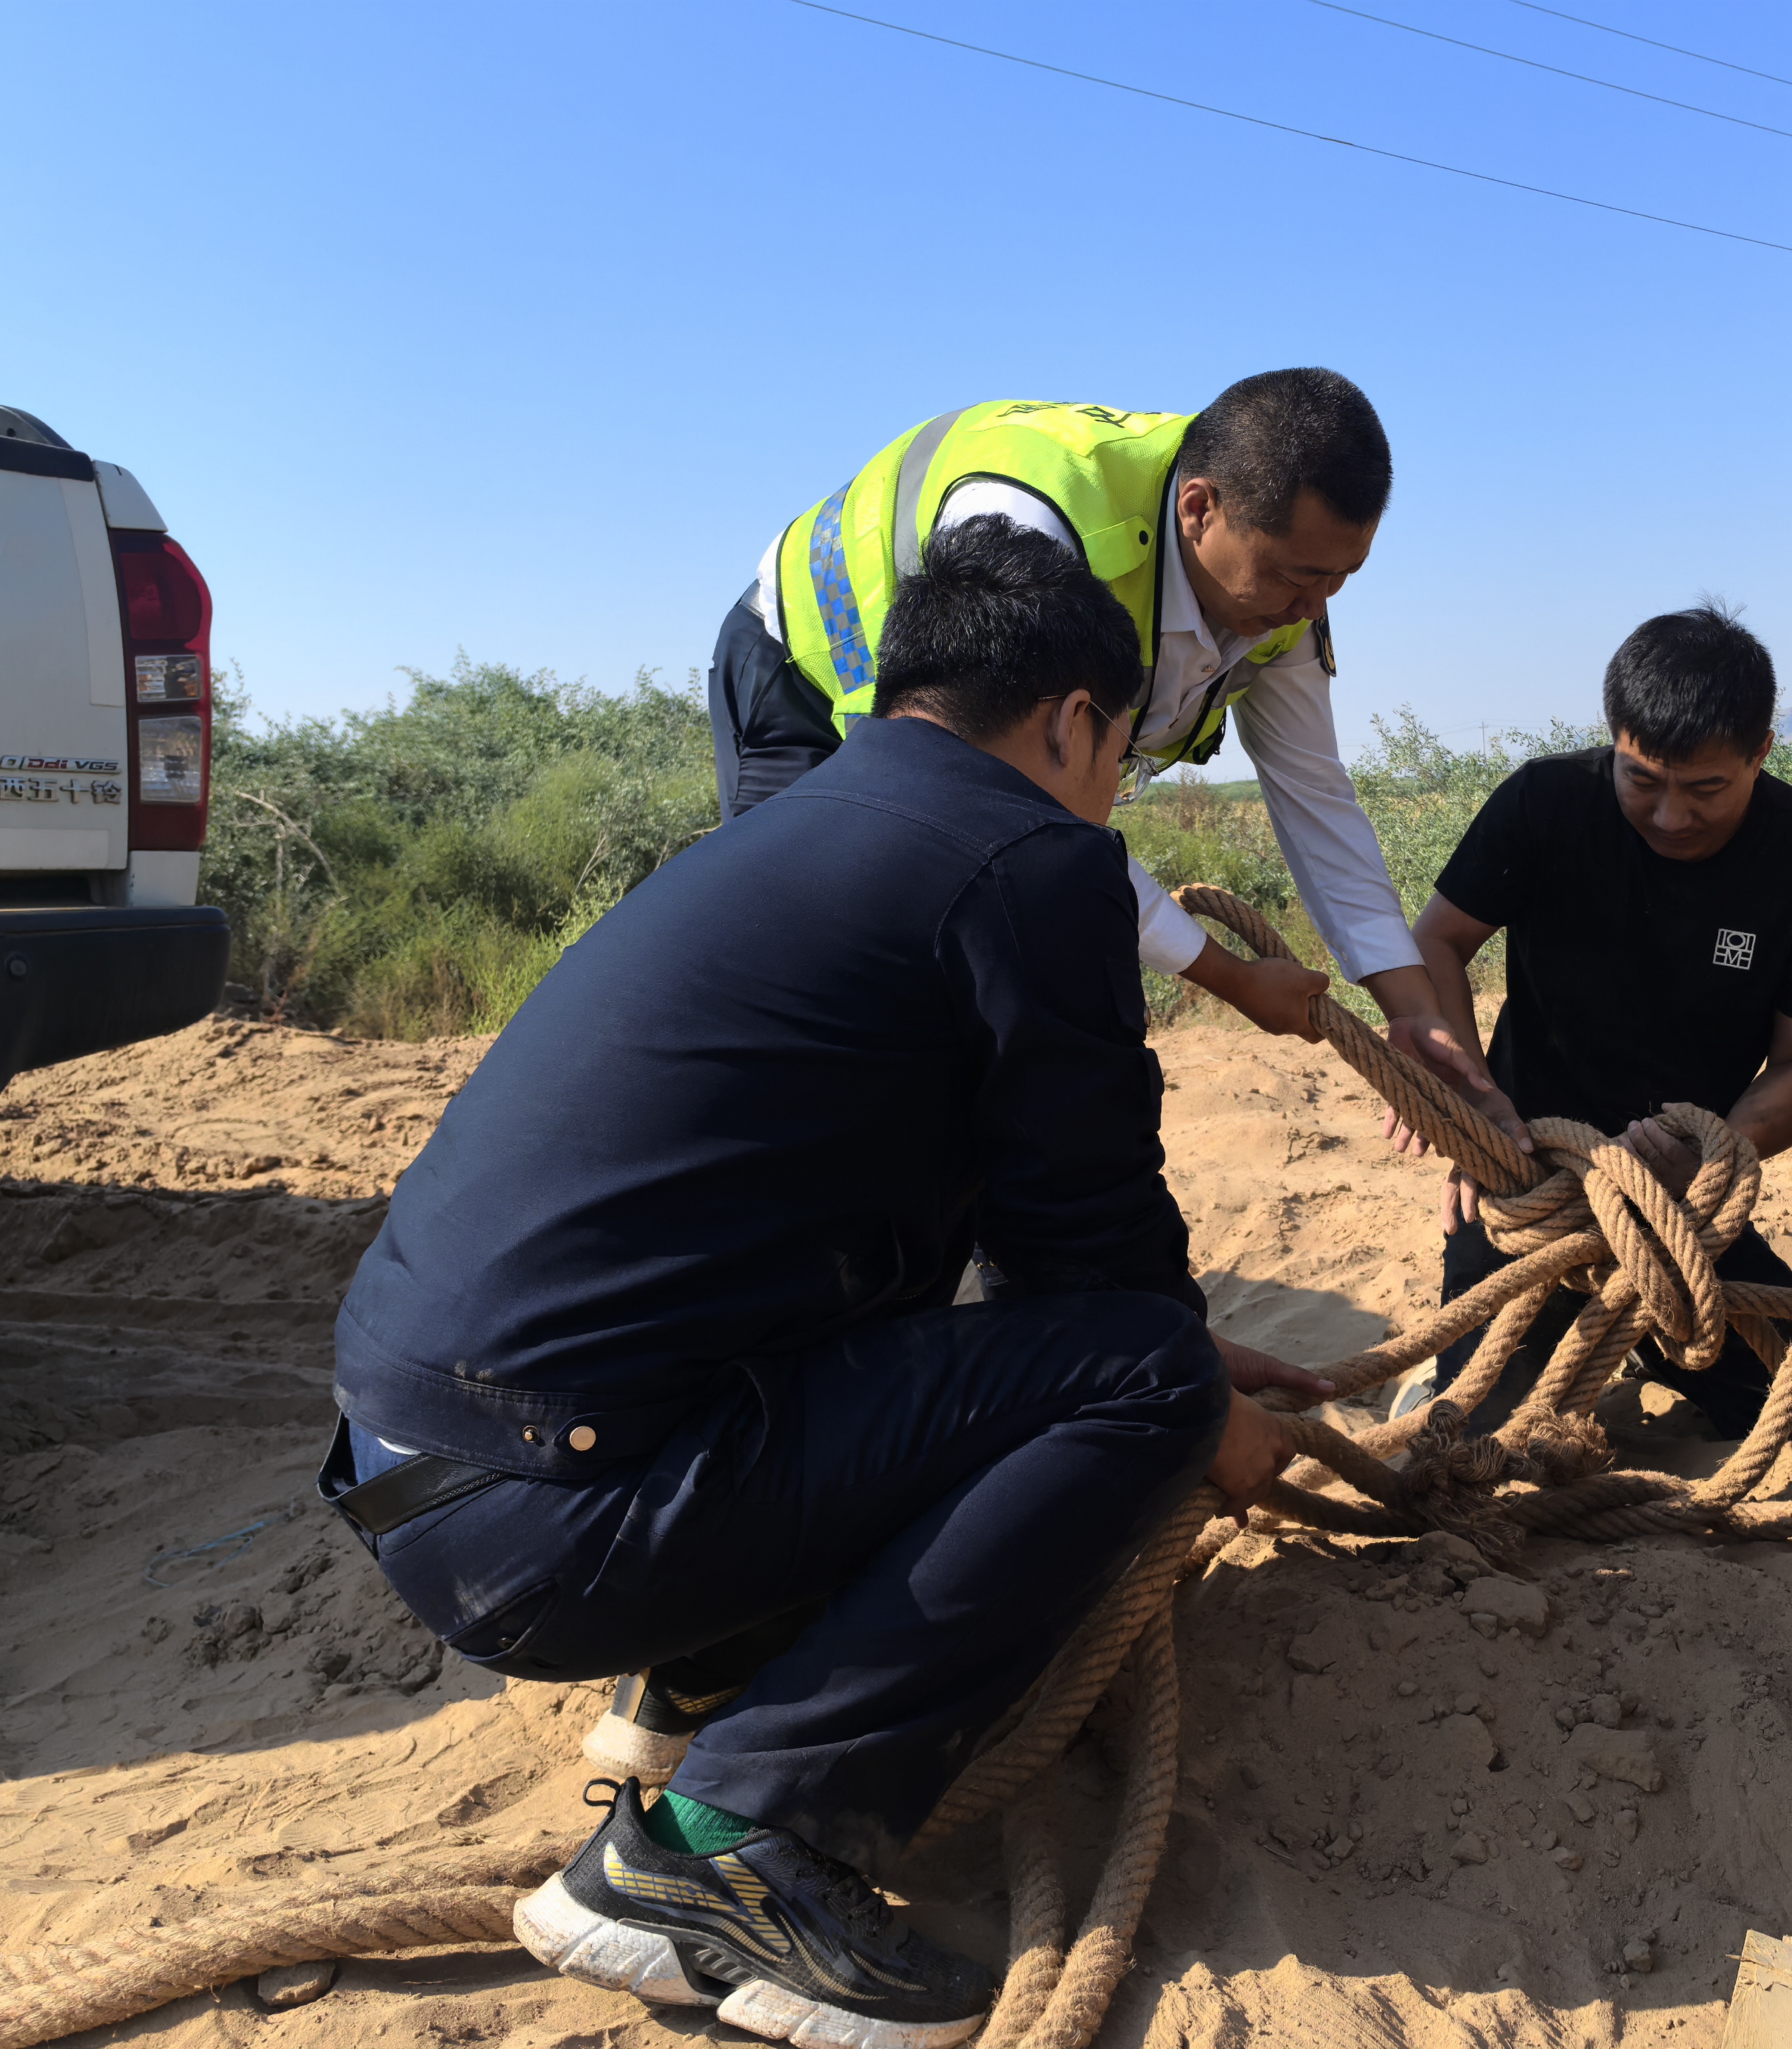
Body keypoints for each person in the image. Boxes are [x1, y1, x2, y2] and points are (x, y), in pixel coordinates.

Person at [317, 518, 1328, 2049]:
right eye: (1122, 756)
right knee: (1144, 1380)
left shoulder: (800, 826)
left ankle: (708, 1670)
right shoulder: (1036, 856)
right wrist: (1203, 1405)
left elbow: (1043, 1249)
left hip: (420, 1473)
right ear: (1074, 722)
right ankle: (727, 1845)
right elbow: (1094, 1247)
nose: (1110, 796)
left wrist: (1172, 1339)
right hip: (554, 1520)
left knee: (952, 1284)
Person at [712, 368, 1505, 1117]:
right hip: (811, 671)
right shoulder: (1033, 531)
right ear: (1199, 509)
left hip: (977, 758)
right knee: (816, 975)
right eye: (1298, 576)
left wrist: (1412, 1008)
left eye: (1341, 578)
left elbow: (1316, 799)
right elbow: (1022, 807)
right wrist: (1229, 977)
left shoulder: (1286, 602)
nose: (1314, 606)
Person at [1393, 603, 1792, 1442]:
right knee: (1477, 1438)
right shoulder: (1545, 803)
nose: (1669, 816)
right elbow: (1437, 942)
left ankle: (1653, 1345)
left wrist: (1711, 1150)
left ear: (1761, 752)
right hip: (1528, 1178)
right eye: (1643, 781)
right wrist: (1472, 1107)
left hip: (1679, 1201)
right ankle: (1447, 1379)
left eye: (1706, 789)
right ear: (1614, 739)